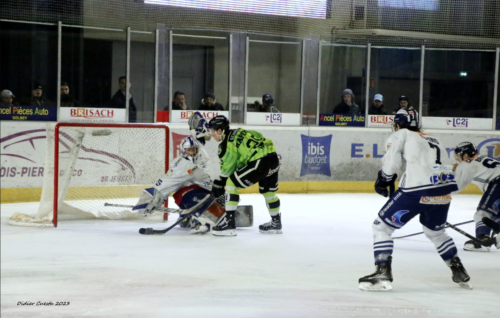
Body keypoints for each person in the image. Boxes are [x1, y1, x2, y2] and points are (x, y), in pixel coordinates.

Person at [358, 109, 471, 291]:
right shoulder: (433, 139)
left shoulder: (401, 134)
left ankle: (382, 271)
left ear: (398, 124)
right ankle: (457, 268)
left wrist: (384, 179)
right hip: (443, 190)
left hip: (416, 190)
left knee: (381, 227)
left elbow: (392, 162)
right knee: (436, 233)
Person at [206, 115, 281, 237]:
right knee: (269, 193)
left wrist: (219, 183)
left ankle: (229, 224)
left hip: (259, 162)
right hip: (273, 158)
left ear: (220, 130)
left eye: (213, 131)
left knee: (231, 183)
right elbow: (258, 135)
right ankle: (276, 223)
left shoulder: (226, 144)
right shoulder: (239, 131)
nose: (212, 134)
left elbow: (228, 171)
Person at [133, 135, 214, 234]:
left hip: (183, 196)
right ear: (183, 150)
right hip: (187, 195)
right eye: (189, 150)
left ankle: (185, 217)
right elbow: (170, 181)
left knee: (204, 192)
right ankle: (199, 221)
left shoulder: (186, 161)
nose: (192, 152)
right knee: (208, 196)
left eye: (194, 149)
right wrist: (154, 194)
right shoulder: (186, 165)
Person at [452, 142, 500, 252]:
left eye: (458, 155)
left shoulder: (467, 164)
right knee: (496, 217)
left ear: (465, 155)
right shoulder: (481, 159)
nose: (457, 158)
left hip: (498, 183)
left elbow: (455, 187)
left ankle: (483, 239)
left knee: (482, 214)